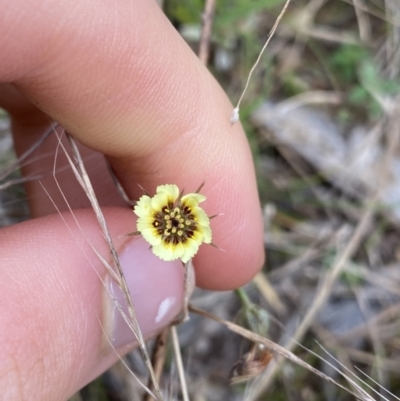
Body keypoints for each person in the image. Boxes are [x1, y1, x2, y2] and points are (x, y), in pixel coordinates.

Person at [0, 1, 264, 399]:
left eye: (178, 221)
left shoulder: (177, 223)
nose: (176, 221)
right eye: (175, 218)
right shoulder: (164, 217)